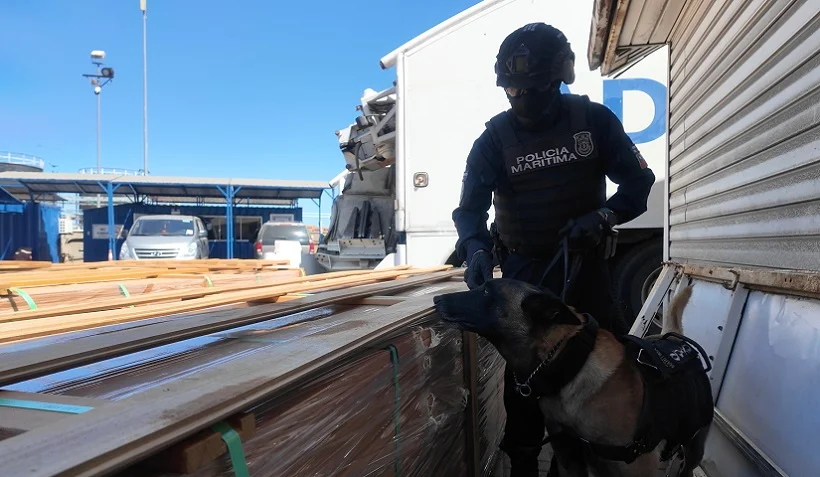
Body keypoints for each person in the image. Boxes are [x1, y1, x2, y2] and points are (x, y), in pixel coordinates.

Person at [451, 23, 656, 476]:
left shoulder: (593, 122)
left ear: (559, 79)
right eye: (512, 91)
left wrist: (604, 216)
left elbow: (639, 183)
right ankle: (526, 460)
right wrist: (476, 249)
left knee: (614, 357)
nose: (521, 99)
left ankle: (618, 448)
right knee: (525, 380)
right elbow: (468, 211)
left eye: (532, 89)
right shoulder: (493, 142)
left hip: (585, 267)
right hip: (525, 274)